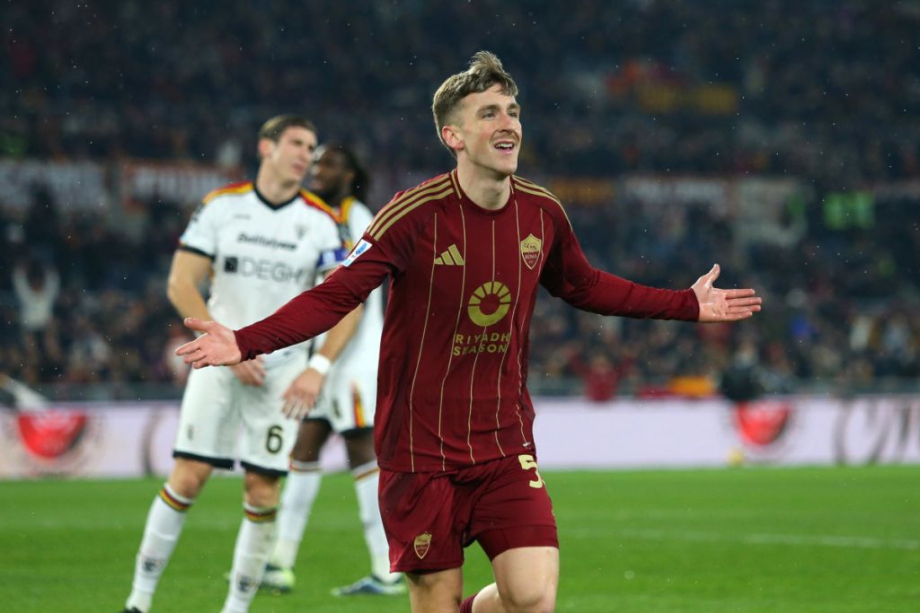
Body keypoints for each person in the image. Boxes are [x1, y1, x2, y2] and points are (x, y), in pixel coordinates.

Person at [176, 53, 762, 613]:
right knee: (433, 600)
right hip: (419, 451)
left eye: (513, 112)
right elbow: (336, 295)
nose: (509, 124)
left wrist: (685, 305)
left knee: (532, 597)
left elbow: (585, 286)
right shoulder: (411, 215)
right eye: (489, 113)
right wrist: (245, 340)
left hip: (504, 442)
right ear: (452, 136)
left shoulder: (541, 213)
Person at [121, 115, 363, 613]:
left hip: (281, 372)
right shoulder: (222, 207)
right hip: (219, 366)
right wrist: (224, 347)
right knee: (188, 477)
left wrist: (318, 367)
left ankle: (235, 609)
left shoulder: (322, 221)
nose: (306, 155)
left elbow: (347, 304)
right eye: (296, 143)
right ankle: (138, 601)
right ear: (265, 147)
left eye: (311, 147)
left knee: (262, 489)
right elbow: (180, 282)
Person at [261, 144, 405, 596]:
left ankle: (388, 569)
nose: (318, 169)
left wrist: (322, 363)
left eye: (330, 164)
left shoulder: (356, 217)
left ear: (351, 175)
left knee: (362, 449)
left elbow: (352, 298)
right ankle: (279, 562)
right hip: (325, 353)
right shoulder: (322, 217)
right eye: (317, 162)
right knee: (305, 447)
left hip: (354, 355)